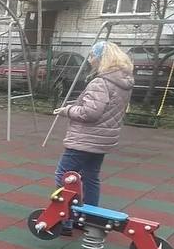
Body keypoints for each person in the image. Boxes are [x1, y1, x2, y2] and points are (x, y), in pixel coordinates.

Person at [52, 40, 134, 224]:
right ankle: (89, 217)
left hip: (85, 138)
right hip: (103, 139)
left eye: (92, 56)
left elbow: (90, 113)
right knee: (90, 177)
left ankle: (66, 218)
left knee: (65, 175)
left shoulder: (101, 82)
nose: (89, 60)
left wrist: (67, 110)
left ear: (102, 59)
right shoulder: (123, 83)